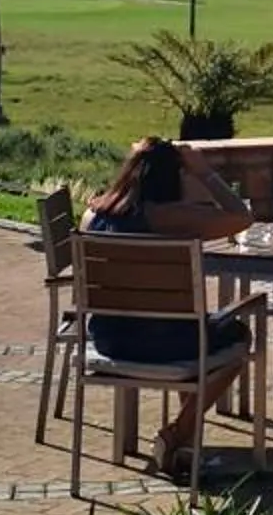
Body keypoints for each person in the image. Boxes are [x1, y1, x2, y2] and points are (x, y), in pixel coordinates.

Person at [83, 137, 253, 478]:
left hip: (111, 339)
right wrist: (205, 173)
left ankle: (185, 448)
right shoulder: (169, 217)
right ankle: (176, 434)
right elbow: (241, 217)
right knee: (237, 337)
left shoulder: (92, 214)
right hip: (163, 344)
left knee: (193, 330)